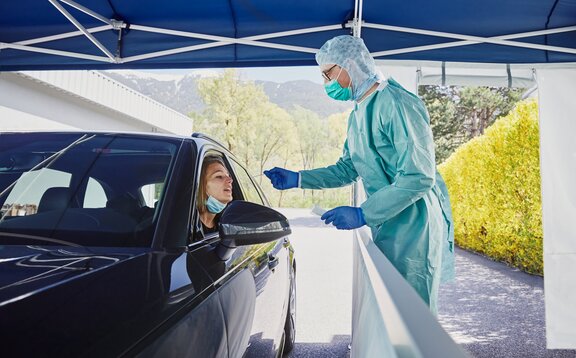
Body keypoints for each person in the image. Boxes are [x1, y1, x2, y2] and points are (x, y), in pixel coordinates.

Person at [264, 35, 454, 314]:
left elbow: (419, 175)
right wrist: (298, 178)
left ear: (349, 65)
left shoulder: (397, 103)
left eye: (328, 73)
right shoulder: (357, 116)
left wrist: (363, 213)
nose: (326, 82)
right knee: (391, 313)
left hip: (414, 223)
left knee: (414, 317)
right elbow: (348, 168)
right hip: (388, 220)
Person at [197, 155, 233, 235]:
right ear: (201, 186)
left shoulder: (227, 223)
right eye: (219, 176)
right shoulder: (186, 228)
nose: (230, 180)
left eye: (228, 176)